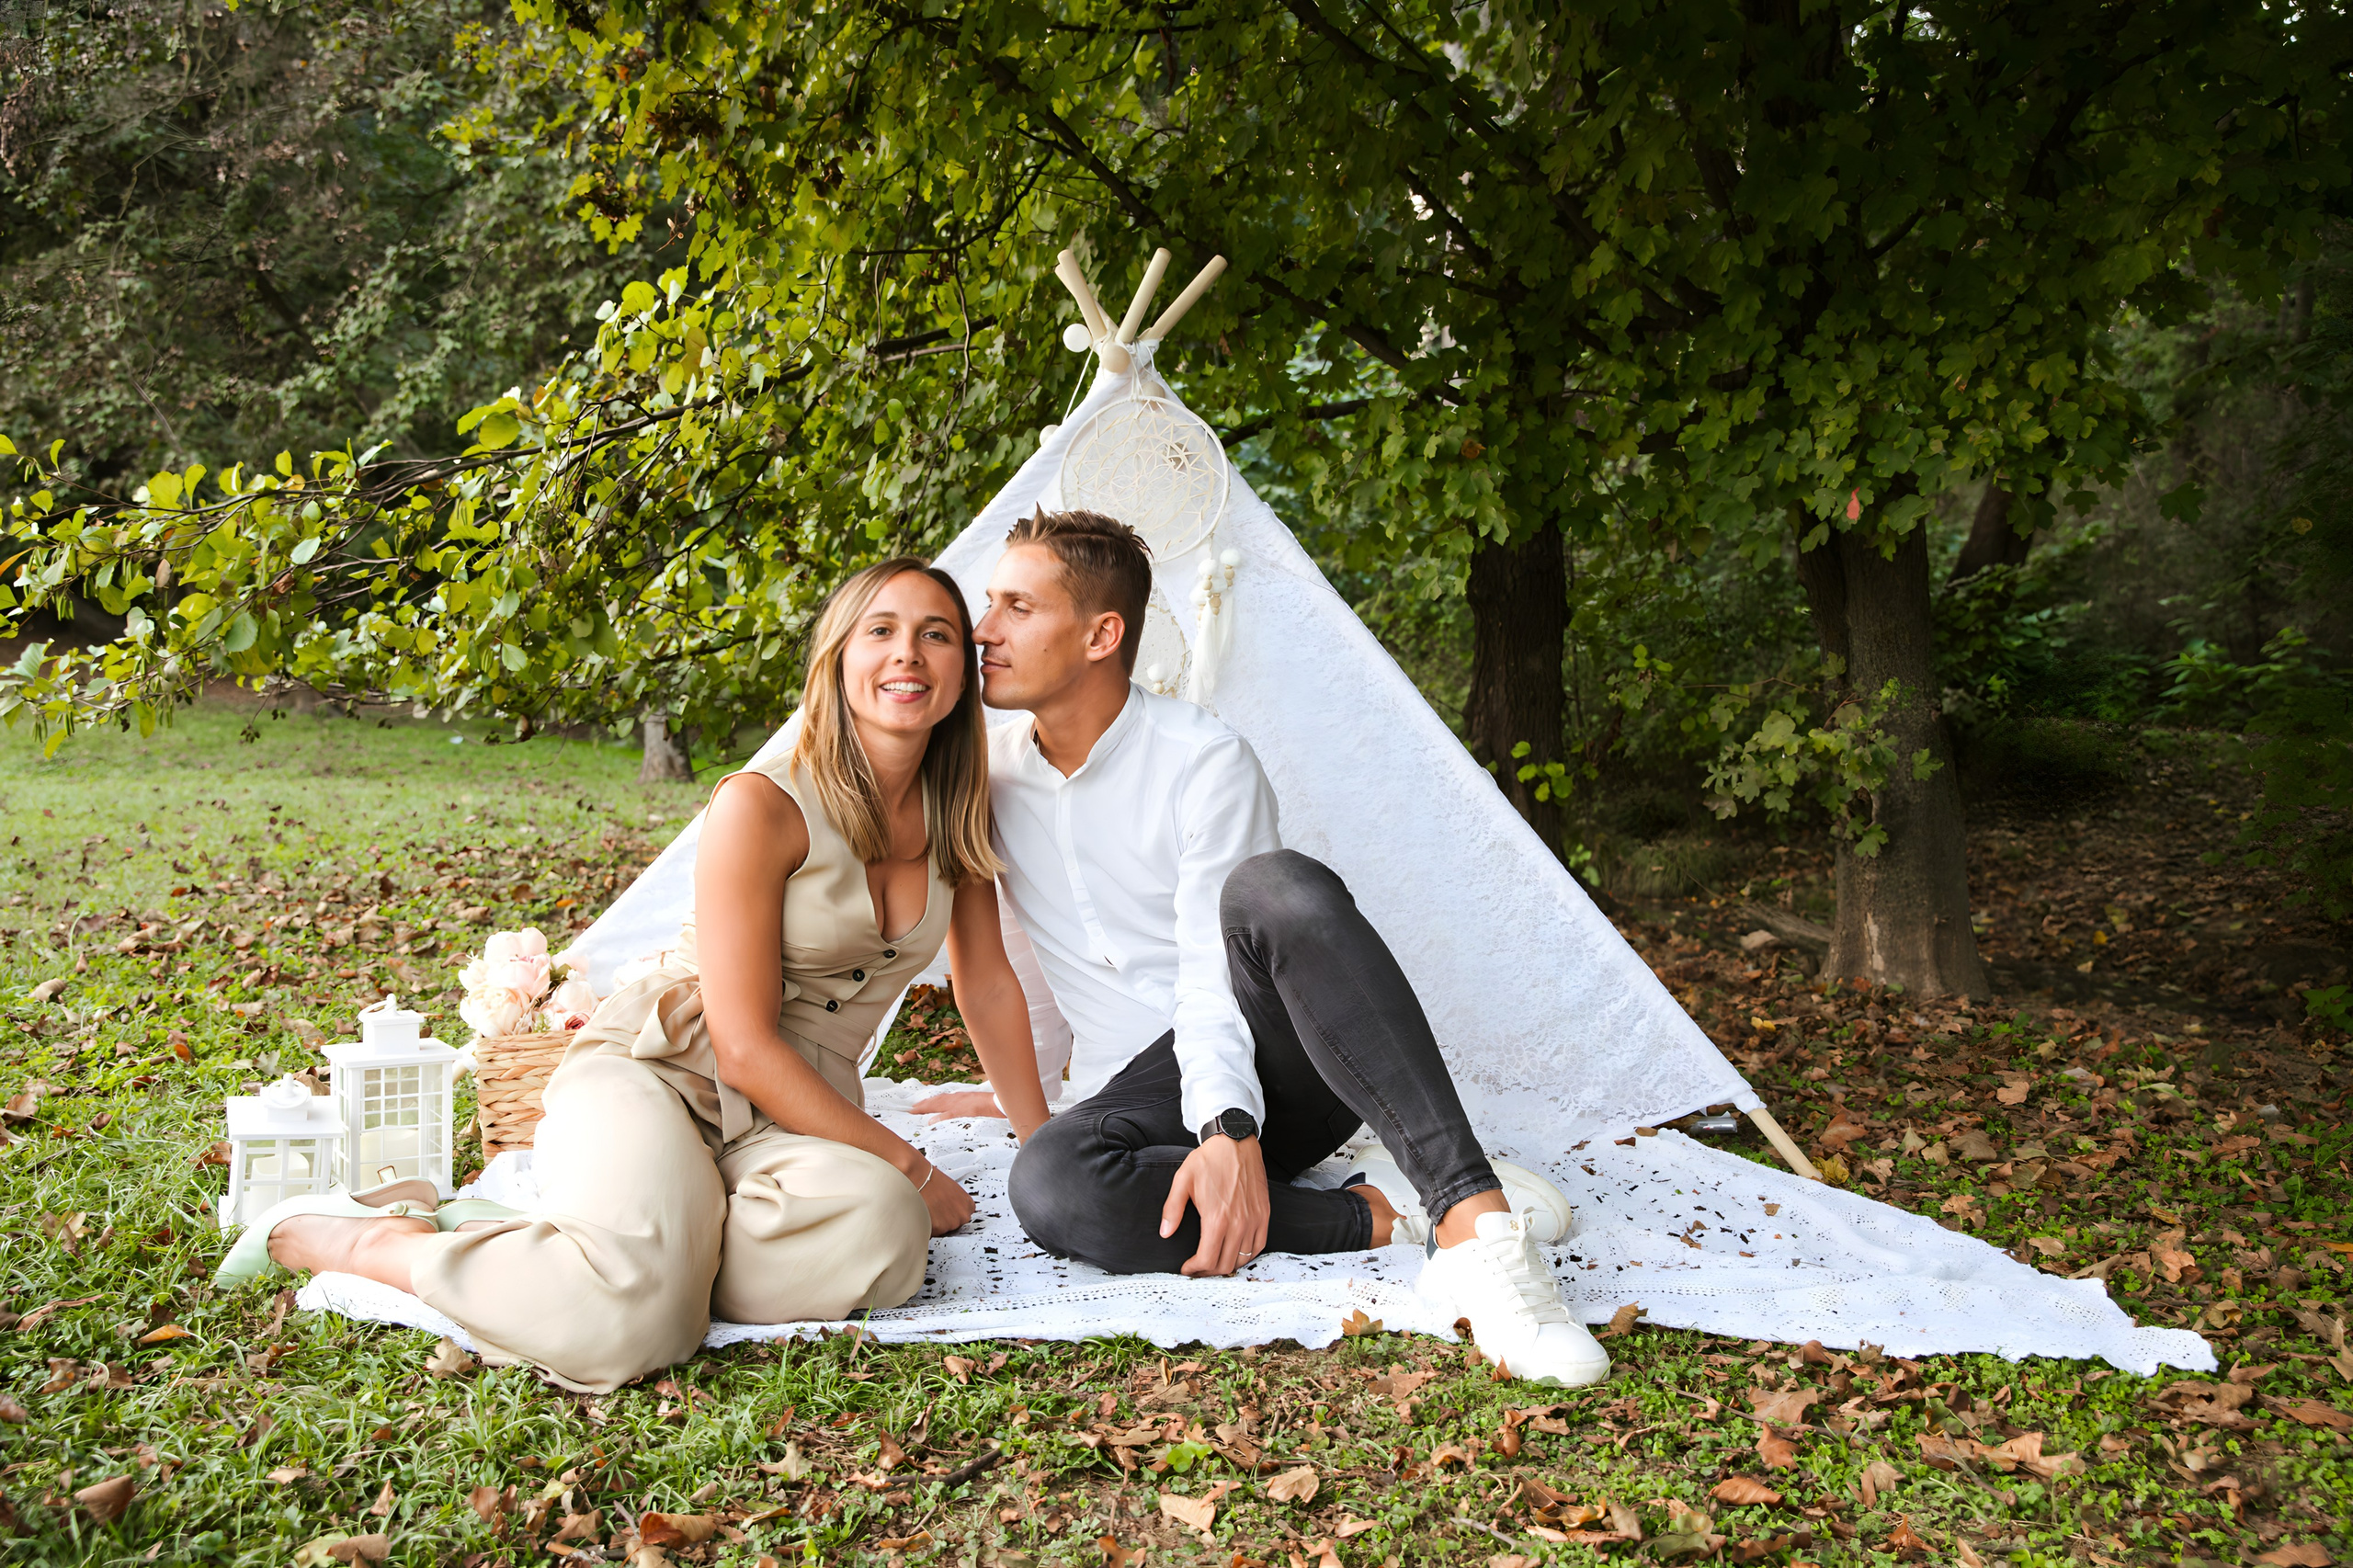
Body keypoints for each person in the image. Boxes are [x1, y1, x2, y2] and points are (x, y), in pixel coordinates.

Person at [217, 558, 1050, 1392]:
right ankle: (377, 1242)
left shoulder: (956, 816)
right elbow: (746, 1046)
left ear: (959, 671)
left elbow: (986, 987)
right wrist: (914, 1166)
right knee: (639, 1327)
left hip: (798, 1115)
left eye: (935, 635)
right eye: (881, 631)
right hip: (663, 1071)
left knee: (882, 1232)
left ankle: (615, 1251)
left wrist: (1042, 1146)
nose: (908, 654)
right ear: (837, 659)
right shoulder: (763, 805)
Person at [919, 507, 1611, 1387]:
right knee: (1053, 1183)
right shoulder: (989, 780)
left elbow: (1214, 975)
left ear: (1101, 634)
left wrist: (1227, 1124)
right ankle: (1377, 1215)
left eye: (1017, 607)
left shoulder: (1203, 758)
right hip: (1133, 1101)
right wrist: (1026, 1101)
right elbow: (1019, 965)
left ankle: (1473, 1219)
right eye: (989, 605)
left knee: (1273, 887)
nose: (984, 632)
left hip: (1273, 1065)